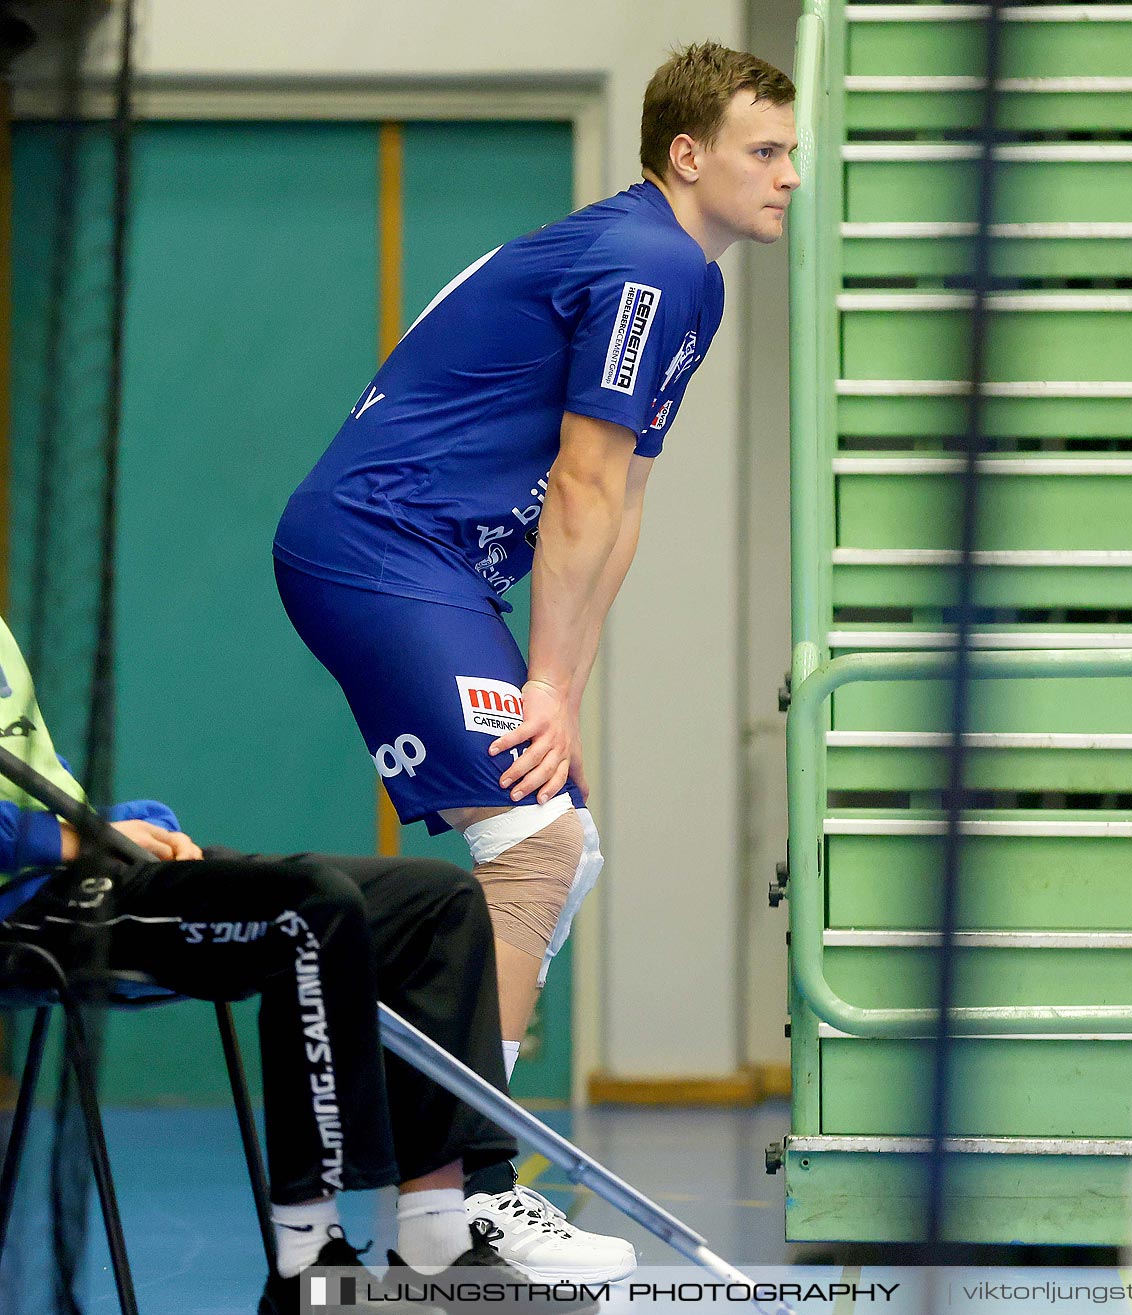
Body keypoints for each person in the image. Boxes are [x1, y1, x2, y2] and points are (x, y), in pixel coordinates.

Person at [269, 41, 799, 1275]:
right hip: (381, 544)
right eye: (763, 151)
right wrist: (547, 684)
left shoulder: (690, 282)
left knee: (561, 841)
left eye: (789, 150)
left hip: (428, 563)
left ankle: (441, 1192)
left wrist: (566, 697)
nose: (788, 174)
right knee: (539, 844)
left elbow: (619, 509)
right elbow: (577, 488)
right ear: (687, 154)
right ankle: (458, 1208)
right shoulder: (648, 260)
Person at [0, 615, 615, 1314]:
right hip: (29, 912)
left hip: (89, 867)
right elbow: (37, 827)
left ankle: (436, 1243)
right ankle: (307, 1268)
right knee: (305, 911)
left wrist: (124, 822)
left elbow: (40, 788)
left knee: (436, 903)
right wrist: (70, 837)